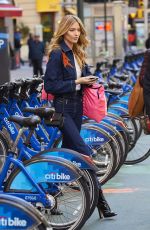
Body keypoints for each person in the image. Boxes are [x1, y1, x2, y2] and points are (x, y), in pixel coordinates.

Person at [44, 15, 117, 219]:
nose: (76, 33)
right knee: (83, 152)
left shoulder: (77, 53)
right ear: (63, 31)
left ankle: (48, 193)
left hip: (76, 108)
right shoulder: (58, 54)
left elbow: (81, 81)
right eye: (71, 30)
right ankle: (101, 202)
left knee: (67, 154)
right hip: (63, 110)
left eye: (78, 30)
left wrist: (89, 80)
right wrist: (77, 81)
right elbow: (50, 85)